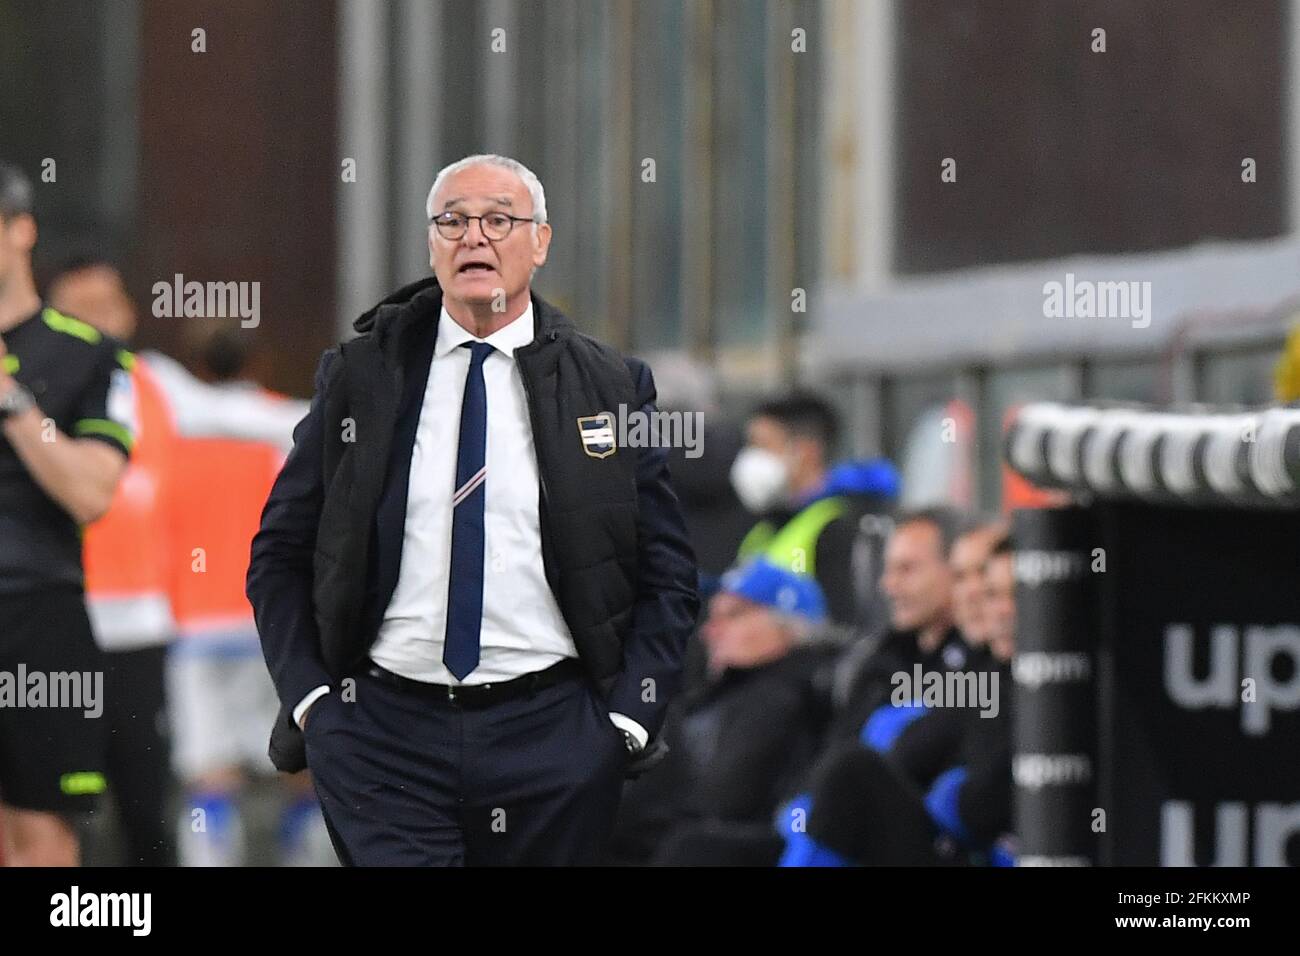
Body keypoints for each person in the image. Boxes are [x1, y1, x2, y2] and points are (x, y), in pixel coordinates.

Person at [246, 153, 700, 866]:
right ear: (432, 245)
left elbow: (667, 572)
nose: (474, 238)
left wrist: (625, 723)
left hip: (554, 738)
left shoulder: (609, 384)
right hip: (383, 734)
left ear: (540, 242)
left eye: (498, 220)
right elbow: (279, 552)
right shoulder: (363, 374)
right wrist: (313, 704)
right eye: (452, 222)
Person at [0, 163, 133, 866]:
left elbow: (91, 492)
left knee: (39, 835)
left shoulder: (89, 356)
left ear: (21, 230)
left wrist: (11, 397)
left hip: (37, 617)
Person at [46, 257, 178, 866]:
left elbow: (253, 416)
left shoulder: (157, 384)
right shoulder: (38, 387)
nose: (99, 318)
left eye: (108, 303)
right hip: (55, 620)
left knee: (144, 799)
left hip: (136, 627)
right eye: (81, 307)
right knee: (52, 802)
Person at [649, 558, 837, 865]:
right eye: (712, 616)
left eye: (732, 615)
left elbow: (719, 803)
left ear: (788, 627)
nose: (709, 631)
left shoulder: (778, 700)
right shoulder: (713, 694)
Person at [731, 391, 898, 626]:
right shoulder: (765, 529)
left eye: (762, 445)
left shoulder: (844, 525)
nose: (750, 459)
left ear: (806, 451)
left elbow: (850, 625)